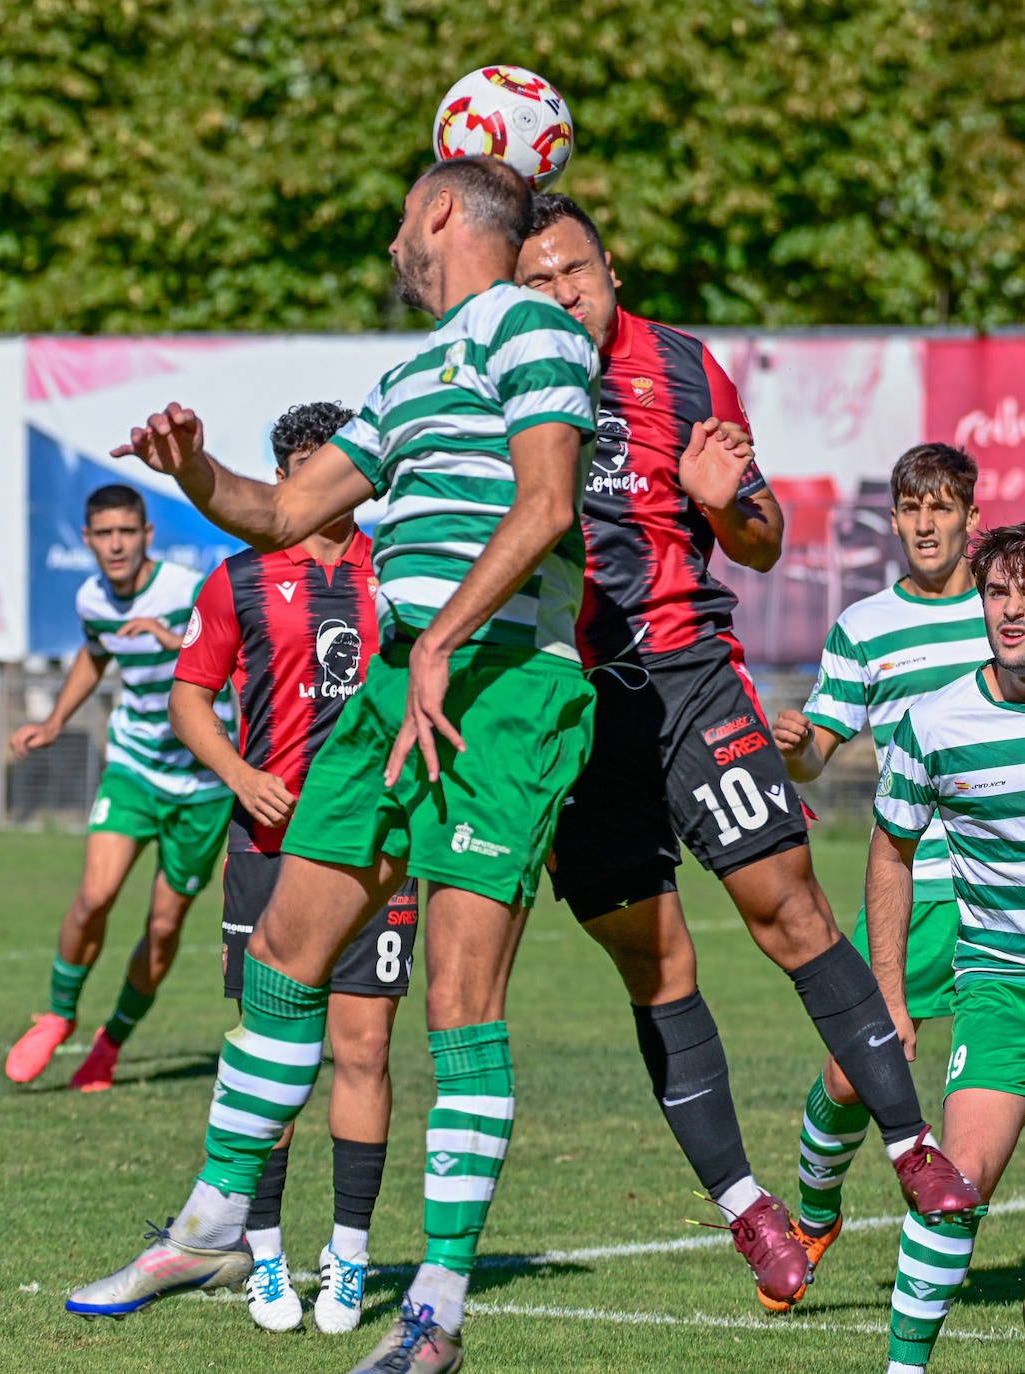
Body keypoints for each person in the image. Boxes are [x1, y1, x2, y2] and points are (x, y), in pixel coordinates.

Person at [65, 155, 601, 1374]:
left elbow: (548, 503)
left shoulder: (531, 325)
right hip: (396, 689)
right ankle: (210, 1222)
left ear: (442, 213)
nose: (395, 250)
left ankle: (437, 1315)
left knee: (460, 1007)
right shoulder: (411, 373)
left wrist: (446, 640)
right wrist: (192, 467)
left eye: (402, 223)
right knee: (287, 957)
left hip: (500, 689)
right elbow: (283, 508)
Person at [514, 193, 982, 1312]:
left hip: (687, 675)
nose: (561, 296)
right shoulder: (501, 387)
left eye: (573, 271)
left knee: (792, 911)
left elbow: (762, 539)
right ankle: (748, 1210)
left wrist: (721, 506)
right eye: (534, 285)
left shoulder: (683, 369)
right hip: (569, 707)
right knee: (656, 963)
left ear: (610, 267)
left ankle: (913, 1144)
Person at [168, 400, 419, 1334]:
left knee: (364, 1051)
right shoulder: (237, 577)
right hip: (267, 854)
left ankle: (347, 1259)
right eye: (304, 466)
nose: (321, 483)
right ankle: (264, 1256)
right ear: (281, 478)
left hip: (376, 857)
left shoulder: (396, 577)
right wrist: (239, 773)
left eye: (337, 465)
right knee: (271, 1059)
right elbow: (191, 696)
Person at [771, 444, 988, 1302]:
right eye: (912, 508)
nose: (927, 524)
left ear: (972, 517)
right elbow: (820, 755)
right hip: (915, 880)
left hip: (1001, 879)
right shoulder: (864, 627)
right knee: (854, 1069)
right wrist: (796, 749)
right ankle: (816, 1213)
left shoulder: (1005, 611)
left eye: (942, 507)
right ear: (895, 520)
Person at [5, 484, 235, 1092]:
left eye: (126, 532)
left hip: (205, 779)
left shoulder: (191, 590)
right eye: (103, 534)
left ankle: (108, 1045)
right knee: (94, 896)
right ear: (87, 540)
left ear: (146, 535)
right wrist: (54, 720)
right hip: (134, 766)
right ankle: (57, 1013)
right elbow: (94, 653)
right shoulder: (92, 599)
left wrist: (177, 641)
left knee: (163, 928)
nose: (115, 545)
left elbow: (242, 662)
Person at [868, 523, 1024, 1374]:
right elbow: (889, 851)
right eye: (998, 593)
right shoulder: (936, 724)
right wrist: (891, 993)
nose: (1012, 610)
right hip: (1000, 987)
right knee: (953, 1189)